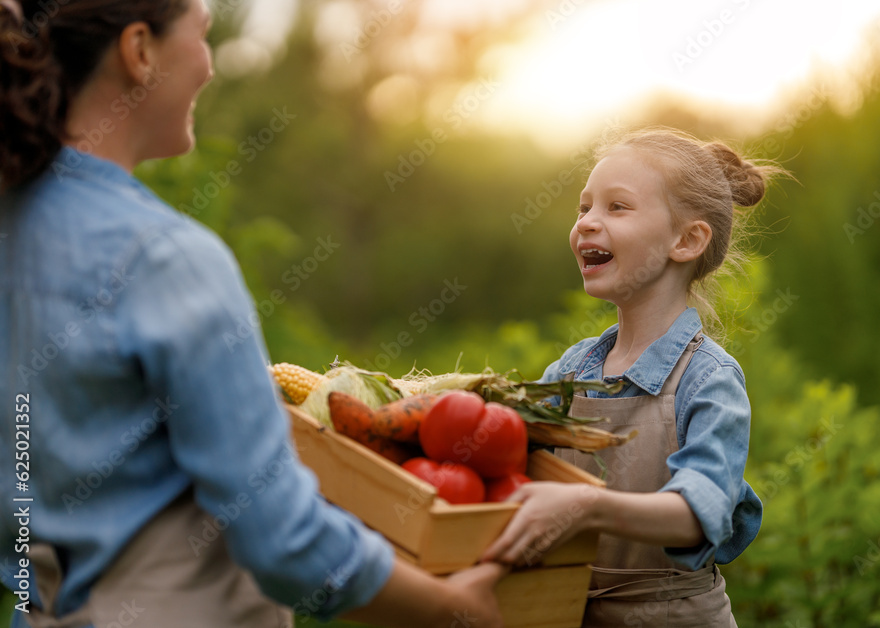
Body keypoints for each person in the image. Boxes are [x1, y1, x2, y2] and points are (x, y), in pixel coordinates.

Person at [0, 1, 507, 626]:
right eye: (204, 36)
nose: (210, 68)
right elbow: (282, 542)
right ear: (139, 51)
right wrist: (451, 608)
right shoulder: (161, 257)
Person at [482, 127, 780, 626]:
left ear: (686, 240)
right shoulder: (570, 371)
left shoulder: (707, 380)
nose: (587, 224)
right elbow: (508, 457)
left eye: (616, 207)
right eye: (584, 208)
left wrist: (586, 506)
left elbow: (695, 516)